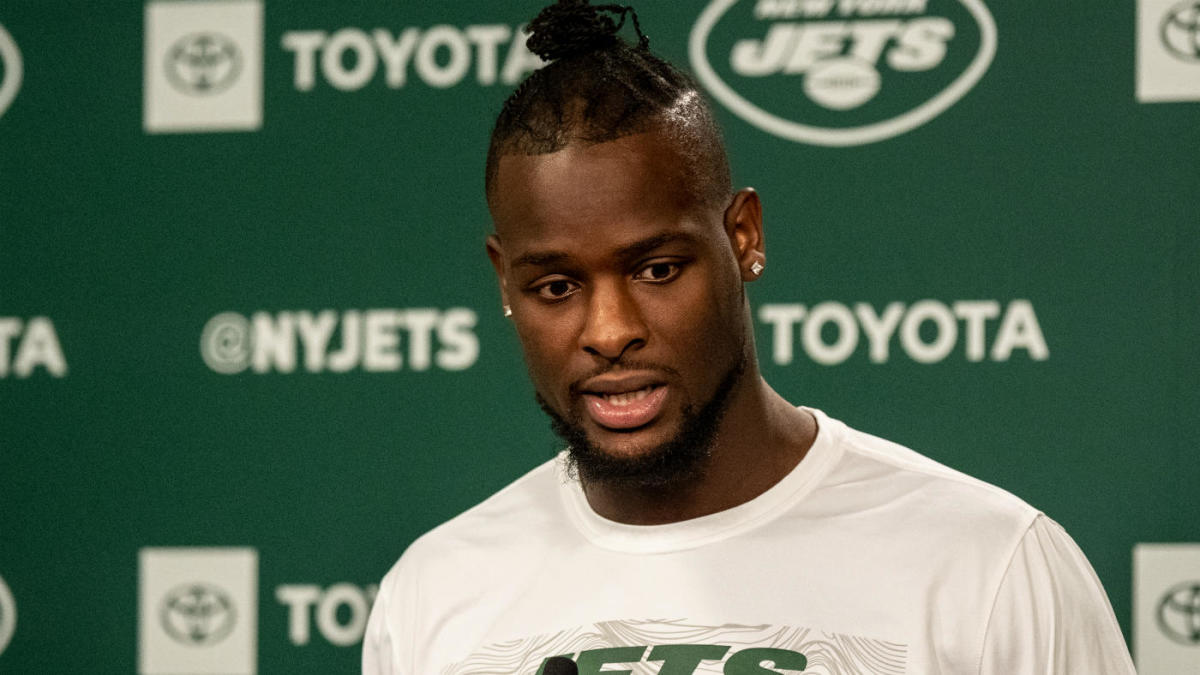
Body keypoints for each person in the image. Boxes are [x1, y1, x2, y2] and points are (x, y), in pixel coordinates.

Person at [363, 1, 1135, 673]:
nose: (609, 332)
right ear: (506, 283)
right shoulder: (434, 593)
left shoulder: (990, 569)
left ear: (744, 237)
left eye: (658, 269)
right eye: (556, 287)